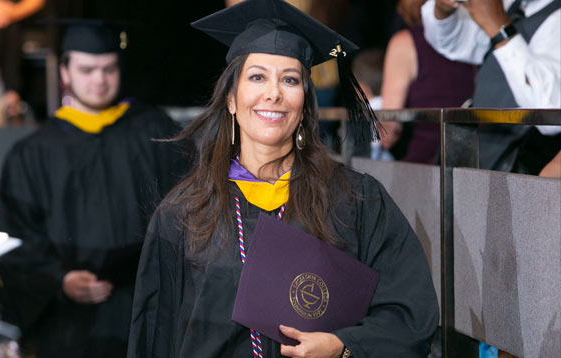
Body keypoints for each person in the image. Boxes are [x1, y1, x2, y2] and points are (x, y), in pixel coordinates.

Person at [128, 1, 439, 357]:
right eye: (257, 77)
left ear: (305, 102)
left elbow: (410, 314)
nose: (273, 93)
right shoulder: (183, 214)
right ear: (231, 98)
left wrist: (343, 346)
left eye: (289, 80)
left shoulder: (355, 201)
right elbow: (155, 337)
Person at [0, 21, 190, 358]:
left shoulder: (155, 131)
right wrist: (59, 279)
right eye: (87, 69)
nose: (99, 79)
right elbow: (14, 235)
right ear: (64, 72)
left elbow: (189, 211)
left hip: (145, 308)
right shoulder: (34, 152)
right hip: (67, 323)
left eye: (108, 68)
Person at [421, 0, 561, 172]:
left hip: (523, 173)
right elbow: (453, 43)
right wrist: (443, 10)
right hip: (482, 158)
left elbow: (551, 116)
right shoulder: (513, 5)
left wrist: (498, 28)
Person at [380, 0, 476, 164]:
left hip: (424, 168)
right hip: (476, 165)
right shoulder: (480, 40)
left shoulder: (405, 43)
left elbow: (388, 128)